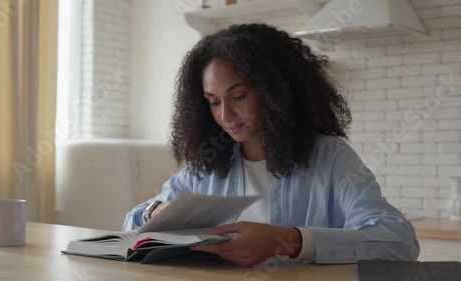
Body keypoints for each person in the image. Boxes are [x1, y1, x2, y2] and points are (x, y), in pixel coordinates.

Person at [122, 23, 419, 266]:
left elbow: (398, 240)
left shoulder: (329, 157)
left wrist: (289, 240)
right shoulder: (208, 165)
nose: (225, 116)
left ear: (275, 91)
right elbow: (131, 226)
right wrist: (155, 211)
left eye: (238, 97)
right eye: (213, 102)